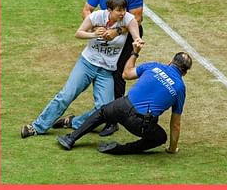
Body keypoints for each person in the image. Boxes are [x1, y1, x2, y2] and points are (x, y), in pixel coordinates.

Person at [21, 0, 143, 138]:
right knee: (66, 96)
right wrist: (94, 34)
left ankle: (73, 122)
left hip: (106, 71)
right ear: (109, 10)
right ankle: (37, 127)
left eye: (124, 9)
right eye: (119, 10)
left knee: (105, 111)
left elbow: (136, 36)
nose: (123, 13)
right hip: (87, 64)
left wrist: (137, 42)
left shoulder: (128, 19)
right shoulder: (97, 16)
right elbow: (78, 33)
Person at [56, 42, 192, 155]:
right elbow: (175, 124)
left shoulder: (155, 66)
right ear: (185, 72)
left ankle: (71, 138)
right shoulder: (180, 88)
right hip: (139, 123)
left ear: (171, 61)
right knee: (160, 137)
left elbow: (126, 74)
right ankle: (119, 149)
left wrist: (134, 52)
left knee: (102, 112)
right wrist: (172, 148)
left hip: (121, 106)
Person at [83, 0, 144, 136]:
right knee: (103, 70)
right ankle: (106, 109)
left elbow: (137, 19)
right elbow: (87, 9)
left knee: (118, 74)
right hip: (108, 34)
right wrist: (95, 27)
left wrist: (116, 31)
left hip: (126, 37)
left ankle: (113, 119)